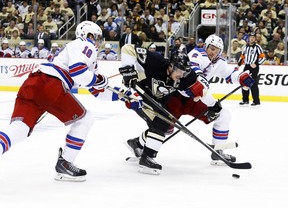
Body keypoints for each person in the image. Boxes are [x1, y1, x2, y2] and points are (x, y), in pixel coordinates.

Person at [0, 21, 112, 182]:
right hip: (51, 85)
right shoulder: (84, 45)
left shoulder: (80, 51)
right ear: (88, 35)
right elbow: (79, 72)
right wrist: (98, 79)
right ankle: (65, 164)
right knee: (86, 118)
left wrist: (123, 95)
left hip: (34, 82)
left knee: (19, 129)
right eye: (97, 37)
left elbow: (96, 91)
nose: (98, 42)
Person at [165, 34, 254, 166]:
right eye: (211, 48)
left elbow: (230, 73)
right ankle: (140, 145)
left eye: (217, 50)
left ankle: (218, 151)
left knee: (223, 115)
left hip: (196, 99)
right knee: (163, 126)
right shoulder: (197, 53)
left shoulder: (220, 62)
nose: (213, 52)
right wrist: (211, 101)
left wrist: (242, 77)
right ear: (206, 46)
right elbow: (194, 70)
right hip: (177, 97)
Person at [120, 44, 210, 175]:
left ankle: (136, 144)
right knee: (162, 121)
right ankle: (147, 158)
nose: (182, 74)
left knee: (165, 127)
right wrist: (127, 72)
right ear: (171, 66)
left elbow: (201, 87)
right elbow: (127, 48)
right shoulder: (156, 61)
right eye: (179, 71)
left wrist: (204, 97)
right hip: (139, 97)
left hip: (157, 103)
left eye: (184, 71)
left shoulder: (185, 76)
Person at [238, 32, 266, 107]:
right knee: (244, 83)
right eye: (250, 37)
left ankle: (256, 101)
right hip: (247, 66)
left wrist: (256, 64)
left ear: (255, 39)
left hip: (254, 67)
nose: (252, 38)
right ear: (248, 38)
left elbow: (263, 58)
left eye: (253, 37)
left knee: (253, 84)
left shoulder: (257, 47)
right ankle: (245, 100)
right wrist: (238, 65)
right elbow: (242, 57)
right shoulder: (245, 47)